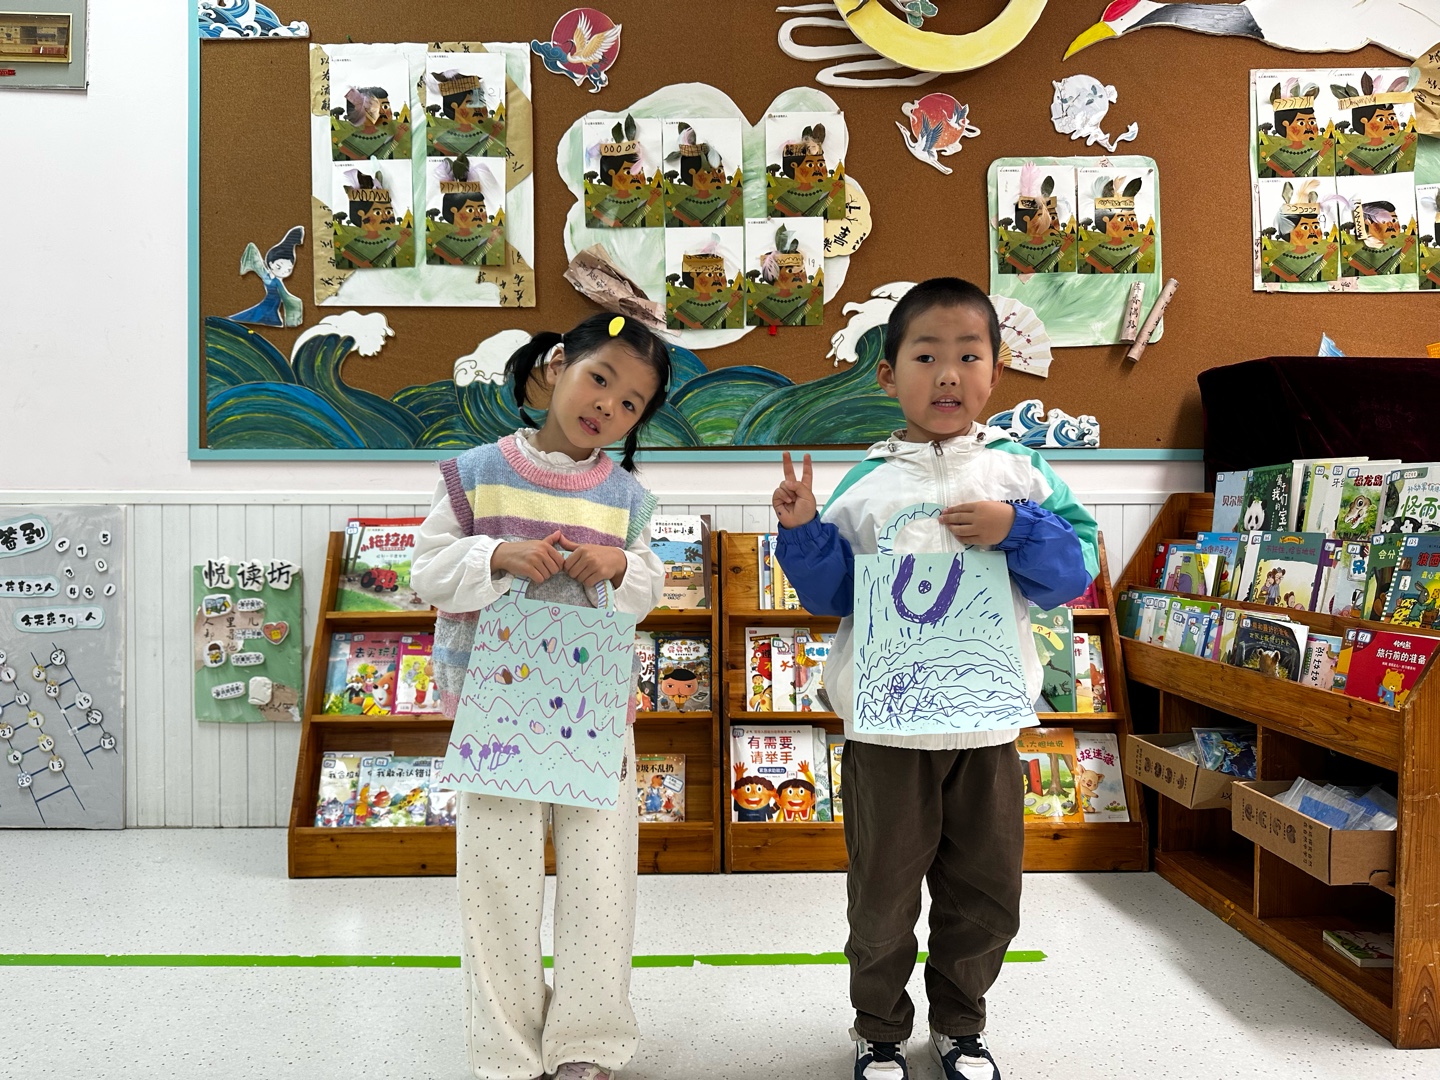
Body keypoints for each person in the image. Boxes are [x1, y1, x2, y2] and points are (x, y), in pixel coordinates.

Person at [770, 277, 1097, 1080]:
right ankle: (879, 1028)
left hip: (987, 730)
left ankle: (961, 1024)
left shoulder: (1022, 475)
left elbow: (1071, 574)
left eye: (968, 356)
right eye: (925, 357)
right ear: (888, 375)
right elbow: (832, 597)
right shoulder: (867, 483)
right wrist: (802, 530)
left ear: (996, 370)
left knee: (986, 892)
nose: (948, 374)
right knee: (881, 896)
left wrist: (1017, 527)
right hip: (887, 732)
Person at [412, 312, 671, 1080]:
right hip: (496, 714)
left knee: (600, 882)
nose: (608, 407)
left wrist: (621, 567)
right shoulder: (475, 473)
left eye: (630, 404)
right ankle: (507, 1047)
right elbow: (428, 571)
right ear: (558, 366)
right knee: (497, 883)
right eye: (600, 379)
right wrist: (496, 554)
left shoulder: (627, 497)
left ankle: (588, 1042)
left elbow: (649, 586)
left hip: (594, 714)